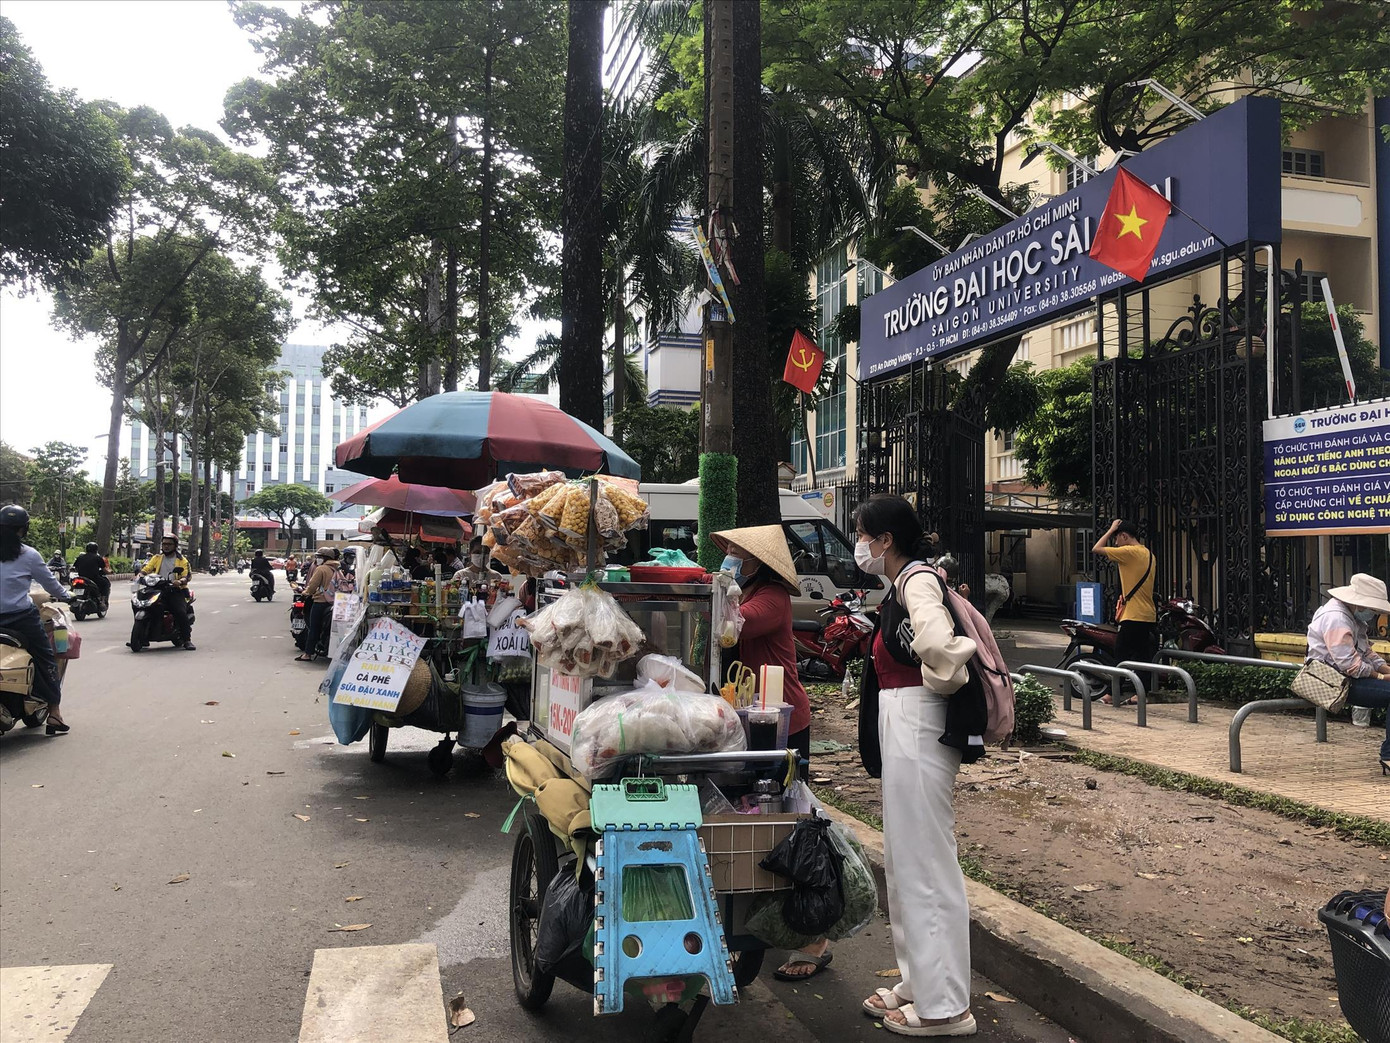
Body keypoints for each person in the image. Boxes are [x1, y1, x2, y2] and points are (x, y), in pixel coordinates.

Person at [854, 494, 978, 1037]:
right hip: (905, 722)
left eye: (862, 534)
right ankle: (918, 981)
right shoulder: (903, 582)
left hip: (919, 724)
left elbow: (941, 646)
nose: (859, 545)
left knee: (926, 864)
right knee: (906, 863)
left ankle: (946, 1006)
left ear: (885, 540)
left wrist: (940, 672)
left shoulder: (917, 580)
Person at [709, 525, 826, 980]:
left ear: (760, 560)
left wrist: (720, 590)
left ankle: (816, 938)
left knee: (792, 827)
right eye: (732, 550)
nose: (732, 556)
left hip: (783, 723)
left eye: (740, 551)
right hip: (751, 717)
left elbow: (731, 628)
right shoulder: (747, 588)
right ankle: (762, 922)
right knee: (754, 820)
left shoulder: (771, 597)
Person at [1306, 573, 1390, 775]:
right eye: (1371, 607)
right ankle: (1388, 755)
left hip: (1345, 678)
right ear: (1360, 603)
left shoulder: (1350, 616)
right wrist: (1381, 677)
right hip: (1334, 682)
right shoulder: (1336, 618)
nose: (1372, 612)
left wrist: (1386, 669)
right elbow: (1350, 664)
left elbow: (1367, 652)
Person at [0, 506, 72, 734]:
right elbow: (51, 585)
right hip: (20, 618)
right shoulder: (29, 554)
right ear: (25, 529)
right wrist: (67, 596)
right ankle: (54, 714)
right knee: (46, 658)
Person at [1093, 519, 1156, 704]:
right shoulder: (1149, 554)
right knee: (1142, 656)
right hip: (1148, 614)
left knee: (1120, 654)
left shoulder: (1129, 552)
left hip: (1132, 615)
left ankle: (1112, 695)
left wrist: (1111, 528)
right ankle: (1140, 695)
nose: (1116, 543)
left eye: (1117, 538)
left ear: (1124, 536)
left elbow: (1097, 548)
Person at [139, 536, 196, 650]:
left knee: (180, 611)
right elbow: (147, 569)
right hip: (157, 588)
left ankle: (187, 639)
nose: (166, 546)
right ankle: (141, 637)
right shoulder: (157, 557)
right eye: (164, 543)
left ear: (175, 546)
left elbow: (187, 576)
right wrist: (140, 575)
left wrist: (180, 581)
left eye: (169, 544)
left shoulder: (182, 560)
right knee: (139, 604)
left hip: (175, 590)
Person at [296, 547, 340, 662]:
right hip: (335, 603)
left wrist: (305, 593)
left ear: (325, 558)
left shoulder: (321, 569)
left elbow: (312, 586)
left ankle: (307, 654)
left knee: (314, 628)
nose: (318, 559)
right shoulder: (337, 569)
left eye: (319, 557)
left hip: (320, 602)